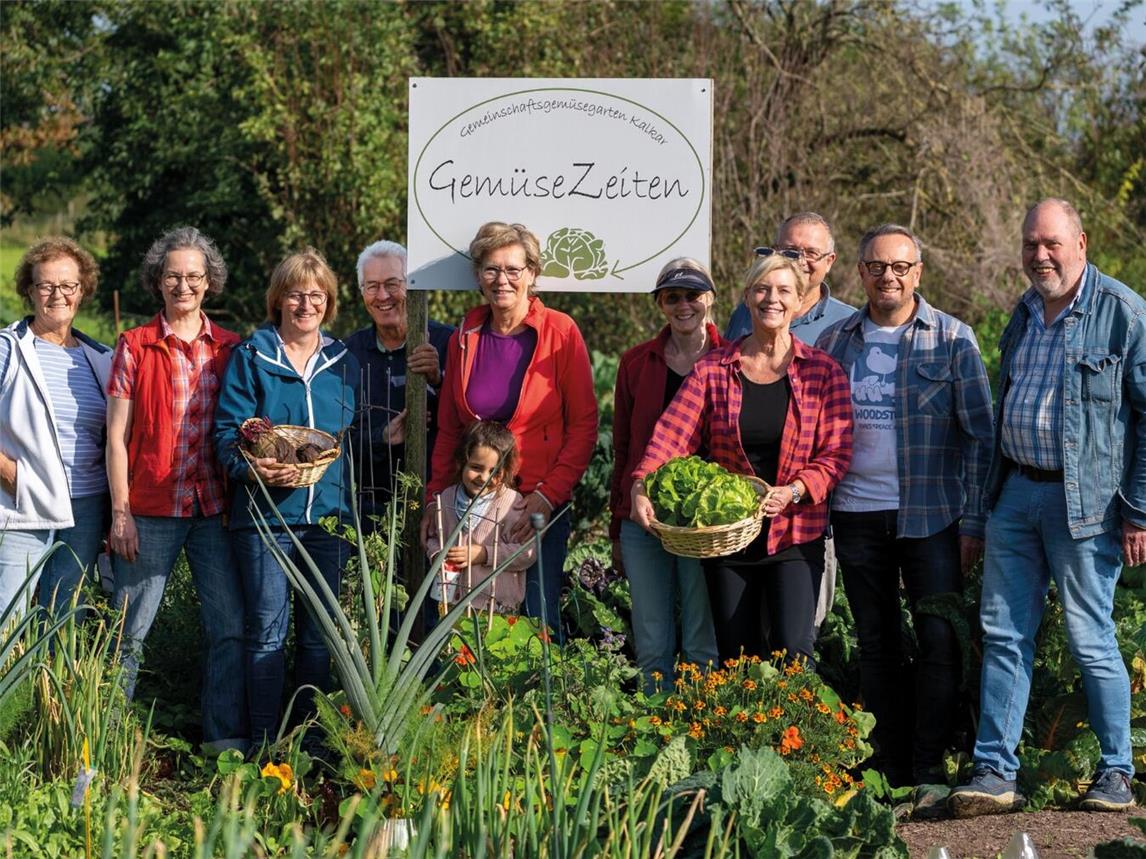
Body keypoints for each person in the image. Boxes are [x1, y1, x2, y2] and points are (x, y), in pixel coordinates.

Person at [950, 199, 1146, 817]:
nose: (1040, 256)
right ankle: (995, 772)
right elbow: (1005, 407)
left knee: (1091, 638)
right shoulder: (1026, 310)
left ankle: (1116, 772)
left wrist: (1139, 511)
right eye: (1032, 244)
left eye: (1052, 244)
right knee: (1004, 633)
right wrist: (983, 511)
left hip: (1086, 505)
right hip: (1015, 496)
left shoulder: (1122, 313)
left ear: (1080, 242)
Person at [816, 223, 994, 790]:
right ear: (860, 271)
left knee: (940, 639)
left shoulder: (951, 339)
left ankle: (929, 765)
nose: (887, 276)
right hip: (857, 514)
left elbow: (981, 439)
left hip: (932, 517)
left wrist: (973, 523)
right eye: (875, 266)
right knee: (877, 643)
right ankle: (889, 767)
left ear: (917, 272)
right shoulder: (836, 343)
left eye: (899, 266)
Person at [631, 252, 853, 664]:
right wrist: (642, 483)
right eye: (763, 289)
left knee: (794, 652)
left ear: (799, 299)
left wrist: (796, 490)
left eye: (784, 290)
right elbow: (672, 435)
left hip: (795, 531)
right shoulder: (714, 369)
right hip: (728, 535)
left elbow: (836, 452)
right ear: (747, 298)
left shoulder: (823, 372)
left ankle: (790, 731)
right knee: (737, 655)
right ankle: (739, 730)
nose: (773, 299)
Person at [106, 226, 247, 755]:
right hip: (151, 510)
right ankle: (108, 737)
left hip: (214, 510)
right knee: (127, 631)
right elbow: (116, 439)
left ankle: (223, 743)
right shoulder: (135, 346)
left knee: (229, 627)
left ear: (209, 282)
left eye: (193, 276)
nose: (183, 285)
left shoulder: (232, 348)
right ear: (157, 283)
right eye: (173, 276)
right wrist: (121, 513)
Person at [214, 248, 359, 747]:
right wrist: (254, 467)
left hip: (329, 519)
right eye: (295, 294)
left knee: (319, 637)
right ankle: (262, 743)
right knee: (267, 634)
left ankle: (310, 744)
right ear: (278, 299)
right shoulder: (253, 356)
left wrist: (389, 436)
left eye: (316, 295)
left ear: (330, 302)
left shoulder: (343, 361)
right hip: (266, 520)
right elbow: (227, 432)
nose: (306, 304)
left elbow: (352, 439)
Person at [425, 222, 598, 639]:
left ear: (532, 274)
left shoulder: (560, 332)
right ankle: (471, 704)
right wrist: (434, 500)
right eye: (491, 270)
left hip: (534, 504)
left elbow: (584, 425)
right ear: (479, 278)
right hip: (472, 502)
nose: (502, 280)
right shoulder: (465, 335)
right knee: (465, 619)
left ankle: (536, 705)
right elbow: (450, 428)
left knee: (535, 621)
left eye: (513, 269)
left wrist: (547, 495)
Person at [726, 213, 856, 630]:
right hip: (743, 515)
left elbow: (840, 434)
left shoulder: (849, 324)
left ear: (830, 260)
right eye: (787, 251)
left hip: (811, 514)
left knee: (799, 634)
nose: (798, 261)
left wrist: (803, 488)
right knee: (742, 639)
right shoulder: (744, 315)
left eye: (810, 253)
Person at [610, 259, 722, 691]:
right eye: (672, 296)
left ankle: (699, 723)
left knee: (701, 633)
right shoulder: (637, 363)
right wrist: (618, 524)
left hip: (703, 522)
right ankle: (654, 723)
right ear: (660, 303)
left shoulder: (729, 358)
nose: (684, 305)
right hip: (645, 518)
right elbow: (623, 447)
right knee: (652, 632)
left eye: (693, 295)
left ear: (709, 299)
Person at [1, 238, 111, 620]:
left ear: (83, 291)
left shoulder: (101, 358)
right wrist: (11, 475)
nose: (57, 295)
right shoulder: (8, 349)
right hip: (23, 503)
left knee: (65, 619)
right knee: (8, 618)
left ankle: (57, 685)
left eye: (68, 286)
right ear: (30, 291)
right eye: (46, 285)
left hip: (85, 508)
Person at [344, 240, 452, 527]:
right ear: (362, 292)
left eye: (393, 284)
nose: (382, 295)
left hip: (438, 507)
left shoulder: (448, 342)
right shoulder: (348, 354)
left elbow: (472, 421)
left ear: (412, 285)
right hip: (367, 511)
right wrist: (381, 437)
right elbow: (335, 440)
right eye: (372, 286)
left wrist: (439, 382)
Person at [426, 420, 536, 615]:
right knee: (452, 644)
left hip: (496, 608)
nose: (484, 478)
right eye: (476, 467)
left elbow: (526, 553)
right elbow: (434, 537)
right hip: (451, 605)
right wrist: (437, 555)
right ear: (461, 462)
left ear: (505, 472)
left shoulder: (511, 504)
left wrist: (484, 555)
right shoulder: (447, 498)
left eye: (494, 472)